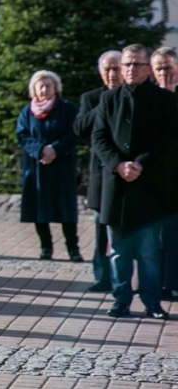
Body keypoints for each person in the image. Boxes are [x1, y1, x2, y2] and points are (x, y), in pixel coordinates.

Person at [93, 44, 178, 320]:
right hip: (117, 186)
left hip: (149, 186)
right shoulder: (109, 99)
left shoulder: (164, 100)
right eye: (126, 64)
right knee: (118, 252)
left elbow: (168, 139)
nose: (130, 69)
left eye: (136, 64)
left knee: (149, 251)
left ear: (147, 69)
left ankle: (152, 302)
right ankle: (121, 301)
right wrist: (118, 164)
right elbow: (99, 138)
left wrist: (140, 163)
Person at [17, 70, 81, 261]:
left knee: (66, 209)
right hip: (37, 167)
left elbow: (74, 132)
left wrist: (55, 149)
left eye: (48, 85)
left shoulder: (67, 108)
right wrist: (40, 150)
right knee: (40, 208)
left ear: (56, 88)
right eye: (41, 86)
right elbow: (22, 134)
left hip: (61, 166)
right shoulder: (27, 111)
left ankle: (73, 249)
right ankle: (46, 247)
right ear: (34, 89)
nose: (44, 89)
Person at [74, 51, 122, 292]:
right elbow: (80, 128)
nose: (112, 74)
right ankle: (102, 277)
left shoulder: (130, 96)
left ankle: (123, 280)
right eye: (107, 69)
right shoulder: (92, 98)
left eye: (116, 68)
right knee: (101, 229)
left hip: (129, 174)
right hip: (101, 175)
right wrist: (104, 102)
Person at [153, 47, 178, 299]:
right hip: (155, 178)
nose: (163, 73)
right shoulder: (148, 96)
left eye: (167, 67)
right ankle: (155, 283)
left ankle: (172, 283)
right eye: (158, 68)